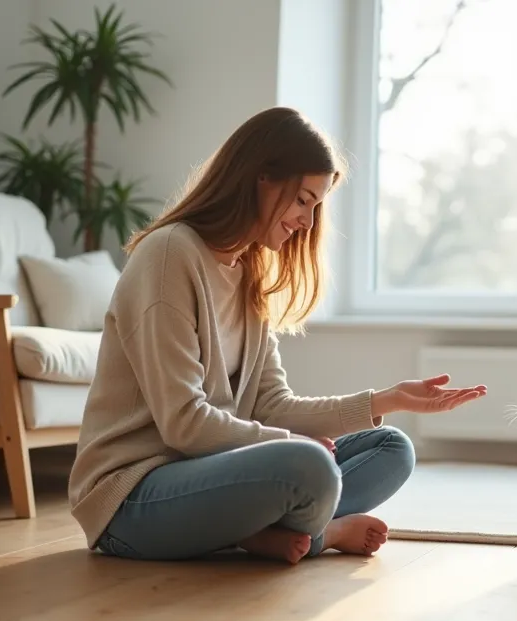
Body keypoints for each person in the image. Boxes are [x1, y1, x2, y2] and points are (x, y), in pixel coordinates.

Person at [66, 106, 487, 564]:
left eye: (316, 206)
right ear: (261, 179)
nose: (308, 222)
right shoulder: (169, 255)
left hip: (210, 474)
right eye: (304, 200)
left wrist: (387, 401)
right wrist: (288, 443)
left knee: (391, 448)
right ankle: (316, 535)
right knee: (309, 467)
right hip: (134, 497)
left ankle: (261, 531)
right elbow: (183, 424)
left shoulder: (249, 270)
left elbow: (272, 405)